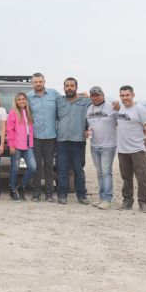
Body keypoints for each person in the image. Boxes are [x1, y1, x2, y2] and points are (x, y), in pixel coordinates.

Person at [115, 85, 146, 213]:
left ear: (133, 95)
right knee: (126, 177)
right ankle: (127, 202)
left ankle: (143, 203)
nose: (125, 97)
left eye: (127, 95)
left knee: (142, 177)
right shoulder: (119, 108)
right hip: (122, 150)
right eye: (122, 95)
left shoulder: (139, 109)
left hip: (137, 150)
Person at [55, 77, 92, 205]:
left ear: (76, 87)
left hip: (78, 141)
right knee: (62, 169)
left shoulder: (85, 101)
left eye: (72, 86)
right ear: (64, 88)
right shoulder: (59, 101)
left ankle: (81, 195)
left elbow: (93, 113)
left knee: (78, 170)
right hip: (61, 141)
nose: (69, 88)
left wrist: (88, 128)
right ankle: (62, 195)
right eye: (67, 86)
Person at [27, 72, 61, 203]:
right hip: (35, 137)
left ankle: (49, 193)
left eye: (40, 81)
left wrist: (83, 96)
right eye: (35, 82)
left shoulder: (54, 94)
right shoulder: (29, 97)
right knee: (36, 166)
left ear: (44, 81)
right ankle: (36, 193)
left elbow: (65, 103)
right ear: (32, 83)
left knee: (48, 165)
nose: (38, 84)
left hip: (51, 136)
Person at [85, 86, 118, 210]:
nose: (96, 97)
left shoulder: (112, 107)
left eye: (98, 95)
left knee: (106, 172)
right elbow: (87, 126)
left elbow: (121, 119)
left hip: (108, 146)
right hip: (94, 146)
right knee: (99, 173)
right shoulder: (89, 109)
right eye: (93, 95)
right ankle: (102, 197)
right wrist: (86, 133)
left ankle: (107, 199)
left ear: (103, 95)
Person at [6, 92, 37, 201]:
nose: (22, 101)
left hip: (29, 144)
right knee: (15, 168)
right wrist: (11, 145)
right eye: (19, 99)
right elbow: (10, 130)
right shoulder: (12, 113)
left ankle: (22, 187)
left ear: (26, 100)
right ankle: (13, 190)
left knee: (33, 167)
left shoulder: (29, 112)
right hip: (17, 144)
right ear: (16, 102)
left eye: (23, 99)